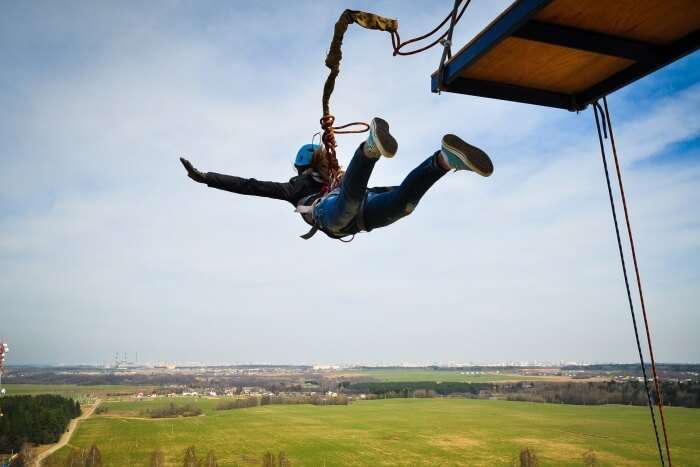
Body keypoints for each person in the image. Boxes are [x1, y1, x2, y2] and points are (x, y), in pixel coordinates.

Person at [180, 118, 493, 240]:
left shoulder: (316, 182)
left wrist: (204, 177)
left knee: (400, 203)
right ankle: (443, 160)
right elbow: (248, 186)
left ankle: (383, 151)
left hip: (338, 214)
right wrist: (206, 177)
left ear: (300, 165)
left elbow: (249, 185)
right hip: (356, 219)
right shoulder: (301, 187)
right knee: (399, 206)